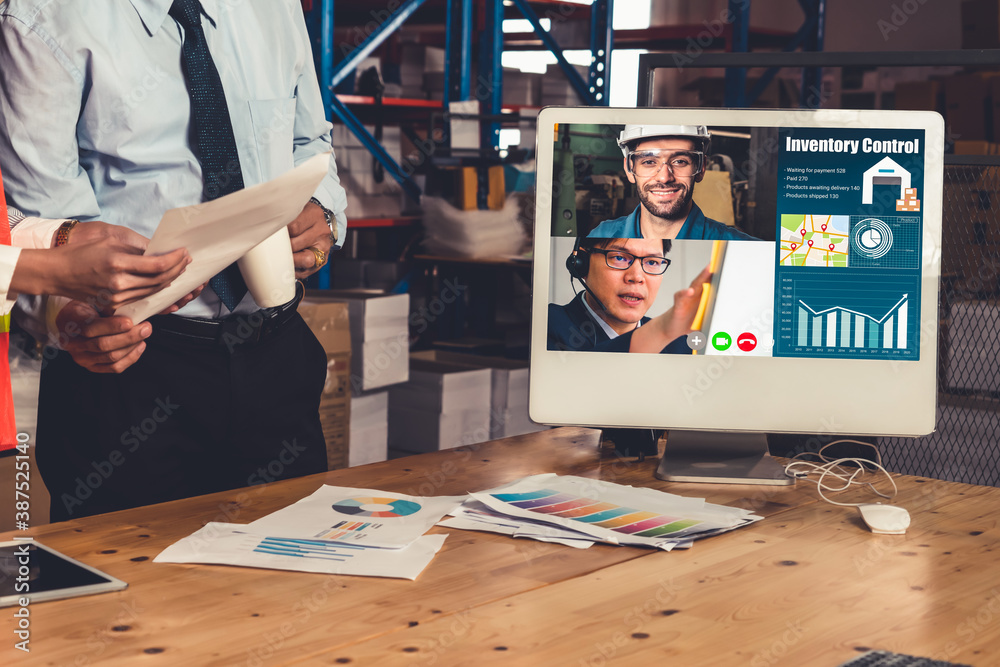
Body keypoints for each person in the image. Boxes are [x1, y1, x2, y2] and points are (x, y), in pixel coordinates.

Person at [0, 0, 350, 520]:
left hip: (274, 353)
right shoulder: (43, 15)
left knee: (292, 579)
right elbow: (36, 225)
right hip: (129, 370)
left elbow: (308, 142)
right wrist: (61, 316)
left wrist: (323, 210)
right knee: (127, 588)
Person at [588, 125, 759, 241]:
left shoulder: (743, 248)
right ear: (629, 169)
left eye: (679, 161)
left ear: (701, 168)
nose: (664, 178)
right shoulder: (601, 237)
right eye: (648, 162)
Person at [548, 236, 710, 353]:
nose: (637, 277)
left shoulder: (680, 344)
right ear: (581, 263)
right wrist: (659, 332)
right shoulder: (546, 325)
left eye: (652, 262)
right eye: (619, 257)